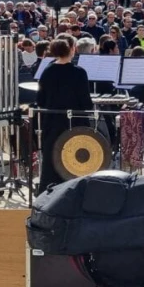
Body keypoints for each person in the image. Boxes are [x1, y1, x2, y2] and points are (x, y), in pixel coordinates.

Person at [36, 38, 94, 192]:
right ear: (72, 50)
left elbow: (40, 100)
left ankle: (48, 192)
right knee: (76, 160)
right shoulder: (79, 72)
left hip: (52, 123)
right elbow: (86, 103)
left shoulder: (47, 71)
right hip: (74, 124)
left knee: (52, 160)